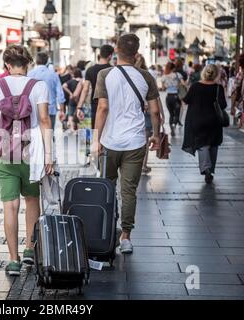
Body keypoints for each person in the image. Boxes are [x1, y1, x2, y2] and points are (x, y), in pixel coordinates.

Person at [0, 45, 53, 276]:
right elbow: (44, 120)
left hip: (6, 150)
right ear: (28, 64)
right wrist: (49, 154)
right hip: (32, 151)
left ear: (6, 65)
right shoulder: (38, 86)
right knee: (32, 200)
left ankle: (13, 261)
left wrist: (4, 117)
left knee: (10, 205)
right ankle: (29, 250)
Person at [93, 34, 161, 254]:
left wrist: (96, 139)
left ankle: (107, 232)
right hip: (135, 141)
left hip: (109, 141)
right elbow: (155, 110)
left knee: (107, 188)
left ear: (116, 51)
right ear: (137, 53)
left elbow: (102, 108)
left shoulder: (105, 74)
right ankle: (126, 237)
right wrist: (156, 135)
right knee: (129, 191)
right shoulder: (146, 77)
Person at [182, 64, 227, 184]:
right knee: (213, 144)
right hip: (214, 121)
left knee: (202, 145)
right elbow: (223, 105)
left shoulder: (195, 86)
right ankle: (210, 171)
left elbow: (186, 100)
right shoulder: (218, 88)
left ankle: (206, 168)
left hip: (198, 120)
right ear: (216, 74)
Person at [76, 44, 114, 129]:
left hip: (95, 104)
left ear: (100, 55)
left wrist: (79, 107)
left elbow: (85, 90)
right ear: (110, 56)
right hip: (110, 104)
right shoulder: (113, 70)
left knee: (96, 131)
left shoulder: (90, 70)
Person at [28, 52, 65, 131]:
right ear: (47, 61)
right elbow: (60, 94)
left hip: (33, 110)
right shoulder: (53, 75)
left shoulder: (29, 74)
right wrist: (62, 110)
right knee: (49, 134)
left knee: (35, 136)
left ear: (36, 61)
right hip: (50, 109)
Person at [161, 62, 185, 135]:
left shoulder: (164, 76)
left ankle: (171, 127)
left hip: (168, 97)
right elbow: (183, 84)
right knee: (177, 113)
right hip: (176, 96)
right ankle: (174, 125)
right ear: (173, 68)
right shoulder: (178, 75)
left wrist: (168, 85)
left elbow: (163, 88)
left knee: (171, 114)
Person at [63, 67, 83, 133]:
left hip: (72, 100)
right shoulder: (82, 81)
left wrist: (70, 93)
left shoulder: (71, 81)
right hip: (80, 100)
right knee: (78, 114)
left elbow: (64, 86)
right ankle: (77, 128)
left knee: (70, 114)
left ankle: (72, 128)